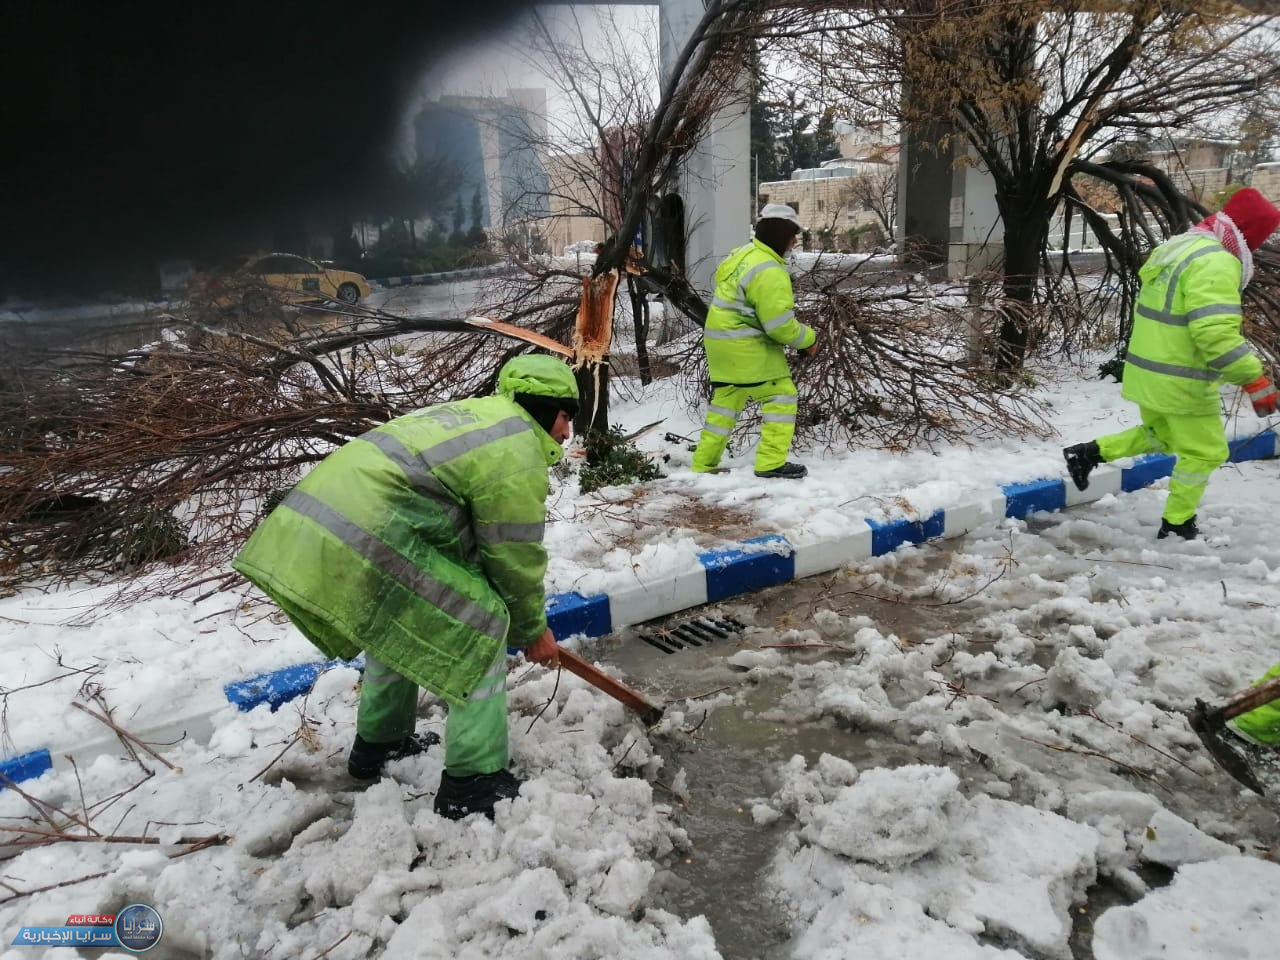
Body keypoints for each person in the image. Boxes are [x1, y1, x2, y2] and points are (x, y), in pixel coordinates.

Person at [232, 354, 578, 820]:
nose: (567, 433)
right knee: (483, 622)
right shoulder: (515, 449)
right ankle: (473, 783)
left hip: (324, 527)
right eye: (565, 416)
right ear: (543, 407)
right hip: (370, 530)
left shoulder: (480, 417)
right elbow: (513, 557)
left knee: (402, 619)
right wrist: (531, 628)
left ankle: (380, 744)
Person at [1064, 187, 1280, 540]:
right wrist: (1252, 378)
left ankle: (1088, 454)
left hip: (1149, 370)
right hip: (1181, 378)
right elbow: (1214, 333)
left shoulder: (1183, 247)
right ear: (1250, 232)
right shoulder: (1217, 262)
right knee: (1206, 451)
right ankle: (1178, 524)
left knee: (1162, 434)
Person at [692, 203, 817, 479]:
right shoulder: (769, 269)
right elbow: (779, 326)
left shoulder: (744, 255)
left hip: (721, 344)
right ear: (781, 235)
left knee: (725, 404)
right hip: (746, 345)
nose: (794, 242)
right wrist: (808, 339)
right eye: (792, 236)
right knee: (781, 395)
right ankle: (771, 463)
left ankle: (703, 463)